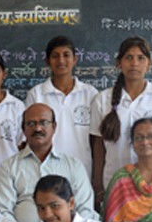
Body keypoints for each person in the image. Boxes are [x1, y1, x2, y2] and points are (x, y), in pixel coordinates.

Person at [90, 37, 152, 208]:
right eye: (128, 57)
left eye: (140, 58)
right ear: (119, 63)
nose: (134, 63)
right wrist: (98, 183)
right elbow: (98, 146)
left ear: (149, 63)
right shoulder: (102, 99)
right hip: (113, 182)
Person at [25, 36, 98, 178]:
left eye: (66, 55)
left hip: (82, 171)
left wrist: (97, 177)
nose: (61, 61)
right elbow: (30, 136)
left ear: (75, 59)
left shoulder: (90, 94)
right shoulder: (37, 94)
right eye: (55, 56)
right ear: (47, 61)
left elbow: (96, 140)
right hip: (44, 171)